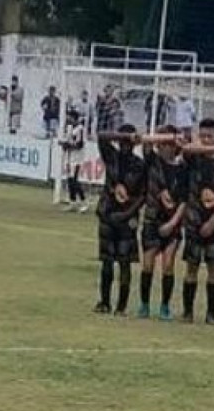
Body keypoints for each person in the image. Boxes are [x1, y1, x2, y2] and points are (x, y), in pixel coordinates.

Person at [181, 119, 214, 325]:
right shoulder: (194, 159)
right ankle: (188, 311)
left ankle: (211, 312)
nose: (205, 140)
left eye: (209, 136)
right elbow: (185, 150)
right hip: (194, 219)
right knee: (191, 267)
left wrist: (212, 221)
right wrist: (197, 144)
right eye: (202, 136)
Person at [93, 124, 147, 316]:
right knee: (107, 261)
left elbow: (143, 195)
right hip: (108, 213)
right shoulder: (112, 156)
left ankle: (121, 306)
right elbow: (101, 135)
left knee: (125, 262)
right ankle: (104, 301)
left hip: (127, 217)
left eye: (128, 142)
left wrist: (128, 213)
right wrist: (123, 134)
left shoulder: (139, 165)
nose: (125, 144)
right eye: (123, 141)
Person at [137, 125, 188, 320]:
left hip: (172, 222)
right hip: (152, 220)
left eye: (169, 143)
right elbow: (145, 142)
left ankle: (165, 306)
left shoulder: (183, 168)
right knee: (148, 265)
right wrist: (163, 134)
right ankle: (144, 304)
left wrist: (173, 223)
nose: (165, 147)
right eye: (163, 143)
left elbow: (184, 200)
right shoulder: (153, 163)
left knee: (168, 265)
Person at [60, 109, 89, 213]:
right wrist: (64, 144)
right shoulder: (69, 128)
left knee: (75, 181)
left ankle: (84, 202)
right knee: (70, 180)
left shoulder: (80, 129)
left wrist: (68, 145)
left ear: (74, 118)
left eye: (69, 117)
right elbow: (68, 141)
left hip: (77, 158)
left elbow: (80, 144)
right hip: (69, 157)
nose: (68, 119)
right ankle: (72, 202)